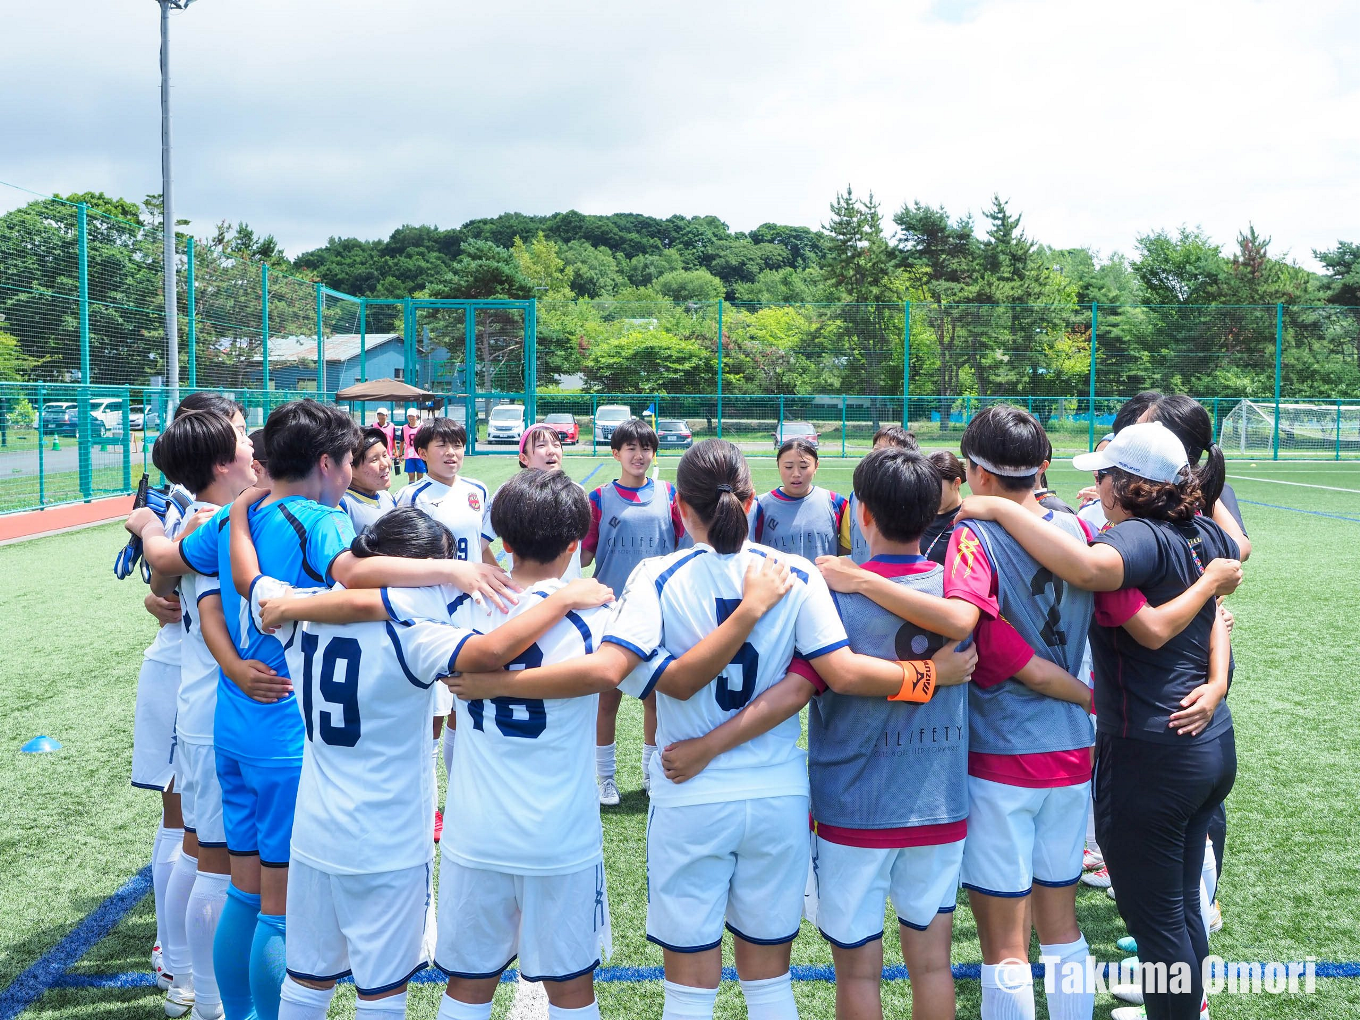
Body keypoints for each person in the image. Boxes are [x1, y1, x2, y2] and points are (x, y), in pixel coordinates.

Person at [448, 439, 976, 1020]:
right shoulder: (796, 574)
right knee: (770, 984)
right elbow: (822, 679)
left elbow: (660, 680)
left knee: (690, 989)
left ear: (680, 508)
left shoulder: (656, 576)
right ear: (751, 502)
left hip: (690, 797)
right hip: (776, 796)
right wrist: (930, 674)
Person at [232, 503, 612, 1020]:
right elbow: (489, 653)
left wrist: (238, 513)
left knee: (306, 979)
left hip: (315, 830)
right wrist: (564, 595)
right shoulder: (417, 629)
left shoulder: (300, 607)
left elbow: (248, 579)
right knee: (382, 993)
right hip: (389, 840)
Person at [959, 421, 1242, 1020]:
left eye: (1106, 475)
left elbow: (1097, 578)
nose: (1098, 486)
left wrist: (999, 509)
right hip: (1209, 739)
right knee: (1182, 909)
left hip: (1150, 749)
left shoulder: (1131, 540)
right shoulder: (1203, 531)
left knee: (1157, 921)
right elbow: (1215, 613)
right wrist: (1218, 683)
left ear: (1130, 484)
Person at [804, 448, 970, 1020]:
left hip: (854, 807)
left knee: (856, 973)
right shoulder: (958, 594)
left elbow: (824, 680)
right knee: (933, 966)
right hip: (939, 803)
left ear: (863, 513)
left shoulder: (833, 593)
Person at [132, 403, 258, 1020]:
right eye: (241, 435)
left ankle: (186, 974)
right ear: (221, 461)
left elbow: (162, 569)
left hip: (211, 705)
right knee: (210, 855)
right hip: (215, 709)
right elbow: (164, 565)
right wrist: (150, 533)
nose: (251, 444)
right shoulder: (214, 521)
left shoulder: (203, 517)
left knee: (202, 847)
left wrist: (149, 530)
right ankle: (196, 987)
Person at [581, 418, 687, 806]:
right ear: (616, 453)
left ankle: (649, 773)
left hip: (659, 611)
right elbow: (584, 555)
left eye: (646, 448)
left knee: (655, 698)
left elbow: (684, 545)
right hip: (611, 612)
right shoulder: (598, 498)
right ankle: (605, 779)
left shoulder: (669, 494)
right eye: (631, 448)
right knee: (606, 699)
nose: (639, 455)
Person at [481, 424, 584, 579]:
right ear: (524, 458)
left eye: (556, 445)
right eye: (541, 445)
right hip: (525, 592)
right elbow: (479, 544)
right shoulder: (510, 493)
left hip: (568, 591)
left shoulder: (575, 491)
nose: (551, 451)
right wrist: (502, 578)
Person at [749, 437, 848, 560]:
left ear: (816, 466)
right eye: (788, 467)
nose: (796, 474)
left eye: (804, 466)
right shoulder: (759, 506)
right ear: (778, 465)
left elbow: (850, 547)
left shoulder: (835, 502)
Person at [843, 427, 918, 564]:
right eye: (876, 449)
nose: (879, 456)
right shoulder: (856, 496)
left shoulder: (913, 498)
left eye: (889, 451)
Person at [339, 429, 396, 535]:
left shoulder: (388, 497)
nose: (384, 464)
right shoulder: (342, 506)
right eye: (374, 460)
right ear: (351, 468)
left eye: (385, 455)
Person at [919, 451, 966, 566]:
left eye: (937, 487)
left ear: (956, 483)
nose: (931, 494)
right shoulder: (920, 515)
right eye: (927, 486)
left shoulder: (966, 522)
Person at [401, 409, 424, 482]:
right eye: (409, 416)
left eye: (412, 416)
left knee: (420, 478)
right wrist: (400, 454)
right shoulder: (404, 428)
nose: (411, 418)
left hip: (419, 455)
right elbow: (402, 441)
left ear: (416, 416)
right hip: (409, 456)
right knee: (411, 478)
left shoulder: (421, 427)